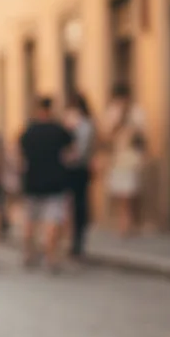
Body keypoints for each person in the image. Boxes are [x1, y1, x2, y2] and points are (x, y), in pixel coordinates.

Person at [19, 96, 74, 271]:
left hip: (32, 181)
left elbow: (19, 156)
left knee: (30, 220)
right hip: (55, 182)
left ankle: (29, 253)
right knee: (52, 220)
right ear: (51, 110)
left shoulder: (28, 131)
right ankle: (51, 258)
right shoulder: (59, 130)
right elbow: (71, 153)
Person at [104, 83, 146, 237]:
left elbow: (141, 135)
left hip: (132, 156)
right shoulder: (113, 112)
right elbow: (108, 135)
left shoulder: (136, 112)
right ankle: (124, 224)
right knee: (122, 193)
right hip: (118, 157)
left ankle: (131, 223)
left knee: (132, 192)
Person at [64, 92, 96, 259]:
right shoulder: (71, 124)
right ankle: (72, 241)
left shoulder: (84, 125)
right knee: (71, 206)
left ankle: (78, 241)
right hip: (71, 170)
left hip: (78, 169)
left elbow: (81, 151)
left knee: (79, 206)